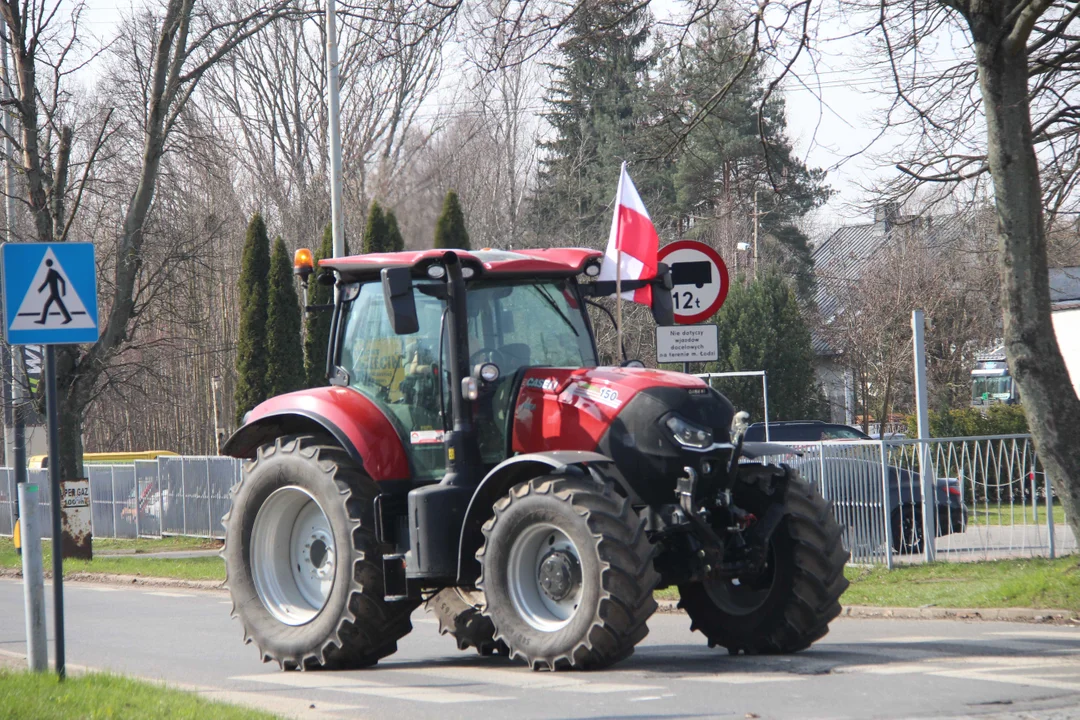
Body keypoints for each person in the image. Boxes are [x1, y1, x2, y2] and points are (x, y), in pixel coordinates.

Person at [35, 259, 72, 325]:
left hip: (54, 293)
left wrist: (63, 292)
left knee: (47, 305)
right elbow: (47, 282)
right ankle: (68, 318)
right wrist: (39, 290)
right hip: (54, 293)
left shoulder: (52, 272)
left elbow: (62, 281)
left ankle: (43, 321)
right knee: (58, 305)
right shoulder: (52, 272)